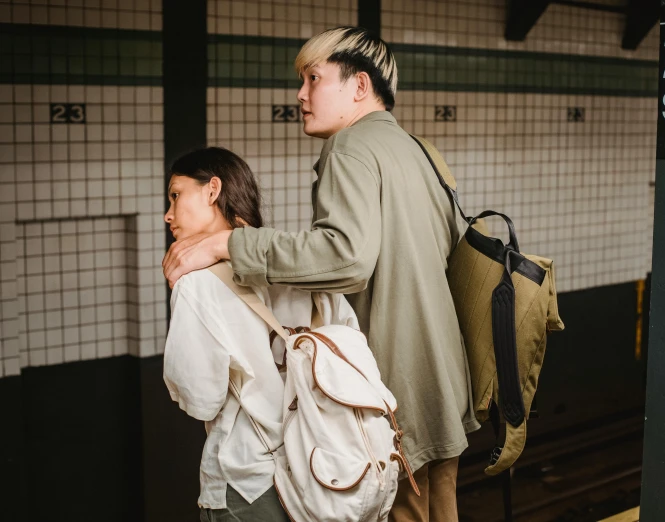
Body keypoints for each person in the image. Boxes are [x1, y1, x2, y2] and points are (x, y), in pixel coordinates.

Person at [162, 27, 479, 521]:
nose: (301, 95)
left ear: (359, 86)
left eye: (313, 79)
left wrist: (228, 242)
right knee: (442, 510)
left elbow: (347, 258)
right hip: (441, 374)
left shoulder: (350, 147)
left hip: (386, 383)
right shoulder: (420, 151)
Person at [162, 147, 358, 522]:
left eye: (175, 195)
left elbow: (201, 398)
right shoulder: (300, 260)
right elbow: (350, 345)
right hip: (326, 466)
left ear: (211, 190)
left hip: (250, 479)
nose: (168, 214)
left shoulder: (196, 284)